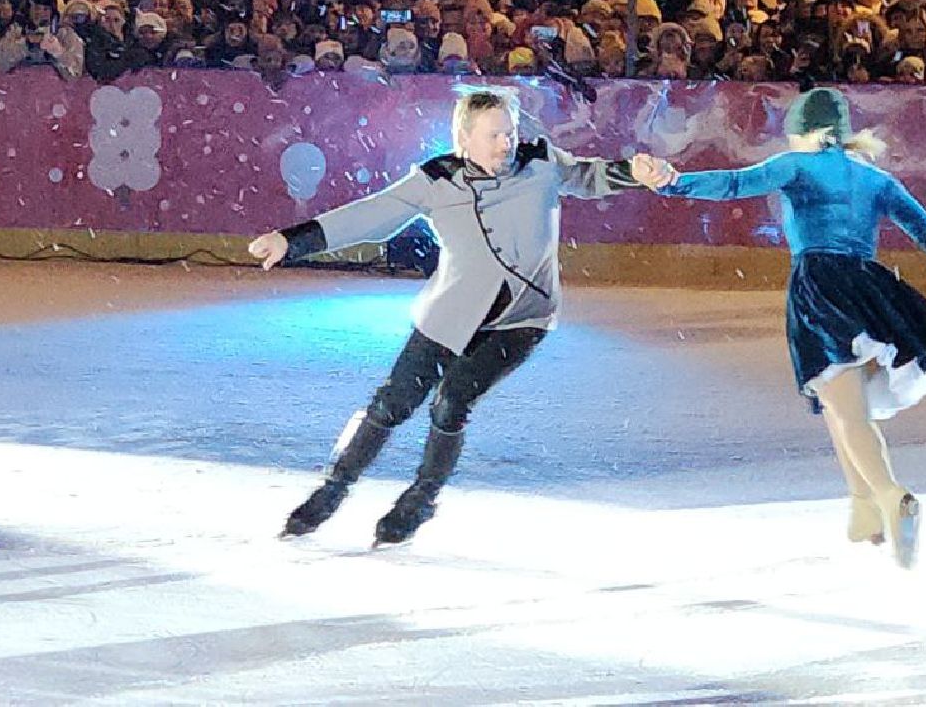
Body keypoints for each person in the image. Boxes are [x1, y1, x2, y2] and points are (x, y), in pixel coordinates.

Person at [248, 89, 642, 546]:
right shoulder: (437, 180)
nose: (505, 144)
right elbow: (371, 216)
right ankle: (334, 488)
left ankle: (421, 497)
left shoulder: (541, 164)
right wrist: (291, 241)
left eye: (509, 134)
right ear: (464, 139)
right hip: (449, 316)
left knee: (451, 403)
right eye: (493, 135)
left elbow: (590, 176)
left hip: (520, 319)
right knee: (391, 404)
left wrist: (637, 172)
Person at [631, 87, 926, 569]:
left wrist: (671, 183)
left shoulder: (795, 166)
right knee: (841, 403)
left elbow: (734, 185)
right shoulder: (874, 178)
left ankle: (890, 496)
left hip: (820, 287)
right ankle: (864, 508)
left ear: (804, 134)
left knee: (845, 406)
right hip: (870, 288)